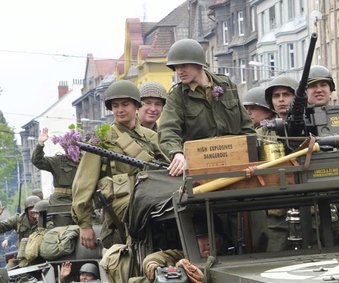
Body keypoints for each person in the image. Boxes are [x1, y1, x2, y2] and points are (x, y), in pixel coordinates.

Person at [71, 80, 167, 250]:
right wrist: (84, 224)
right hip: (121, 208)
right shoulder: (102, 139)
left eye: (125, 104)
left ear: (136, 106)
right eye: (115, 106)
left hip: (152, 199)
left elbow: (167, 167)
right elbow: (84, 182)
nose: (120, 110)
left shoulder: (151, 137)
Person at [157, 38, 254, 177]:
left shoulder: (226, 85)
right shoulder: (177, 96)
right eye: (176, 67)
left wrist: (252, 153)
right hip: (200, 167)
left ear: (198, 64)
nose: (179, 71)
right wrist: (177, 153)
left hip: (236, 162)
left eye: (184, 65)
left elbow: (246, 126)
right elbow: (167, 131)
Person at [32, 128, 77, 207]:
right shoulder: (58, 161)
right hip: (61, 201)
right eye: (69, 146)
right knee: (62, 218)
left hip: (81, 199)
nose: (72, 149)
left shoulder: (84, 161)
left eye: (75, 146)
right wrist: (40, 144)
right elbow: (37, 161)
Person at [0, 197, 40, 267]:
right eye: (31, 208)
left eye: (36, 208)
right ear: (27, 210)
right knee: (6, 272)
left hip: (39, 256)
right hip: (22, 256)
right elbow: (2, 227)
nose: (34, 210)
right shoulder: (19, 220)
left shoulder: (45, 220)